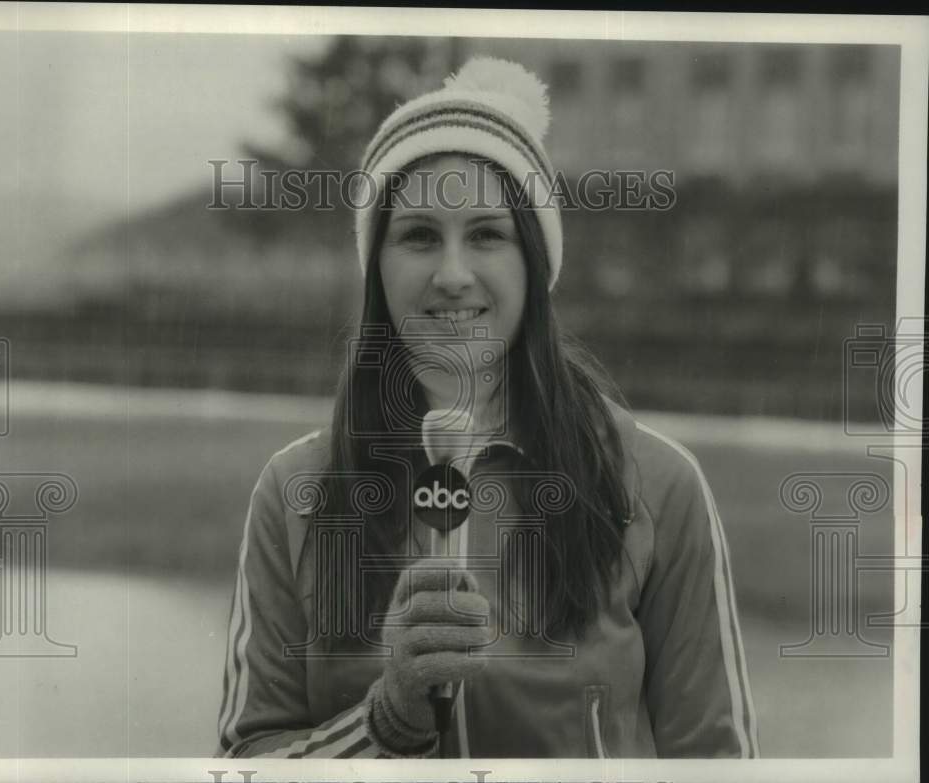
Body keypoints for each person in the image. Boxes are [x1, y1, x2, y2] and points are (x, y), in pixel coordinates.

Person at [215, 56, 760, 760]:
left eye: (486, 233)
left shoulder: (660, 483)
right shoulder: (294, 492)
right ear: (376, 265)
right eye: (417, 235)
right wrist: (388, 720)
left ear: (534, 262)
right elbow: (244, 759)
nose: (451, 273)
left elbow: (719, 763)